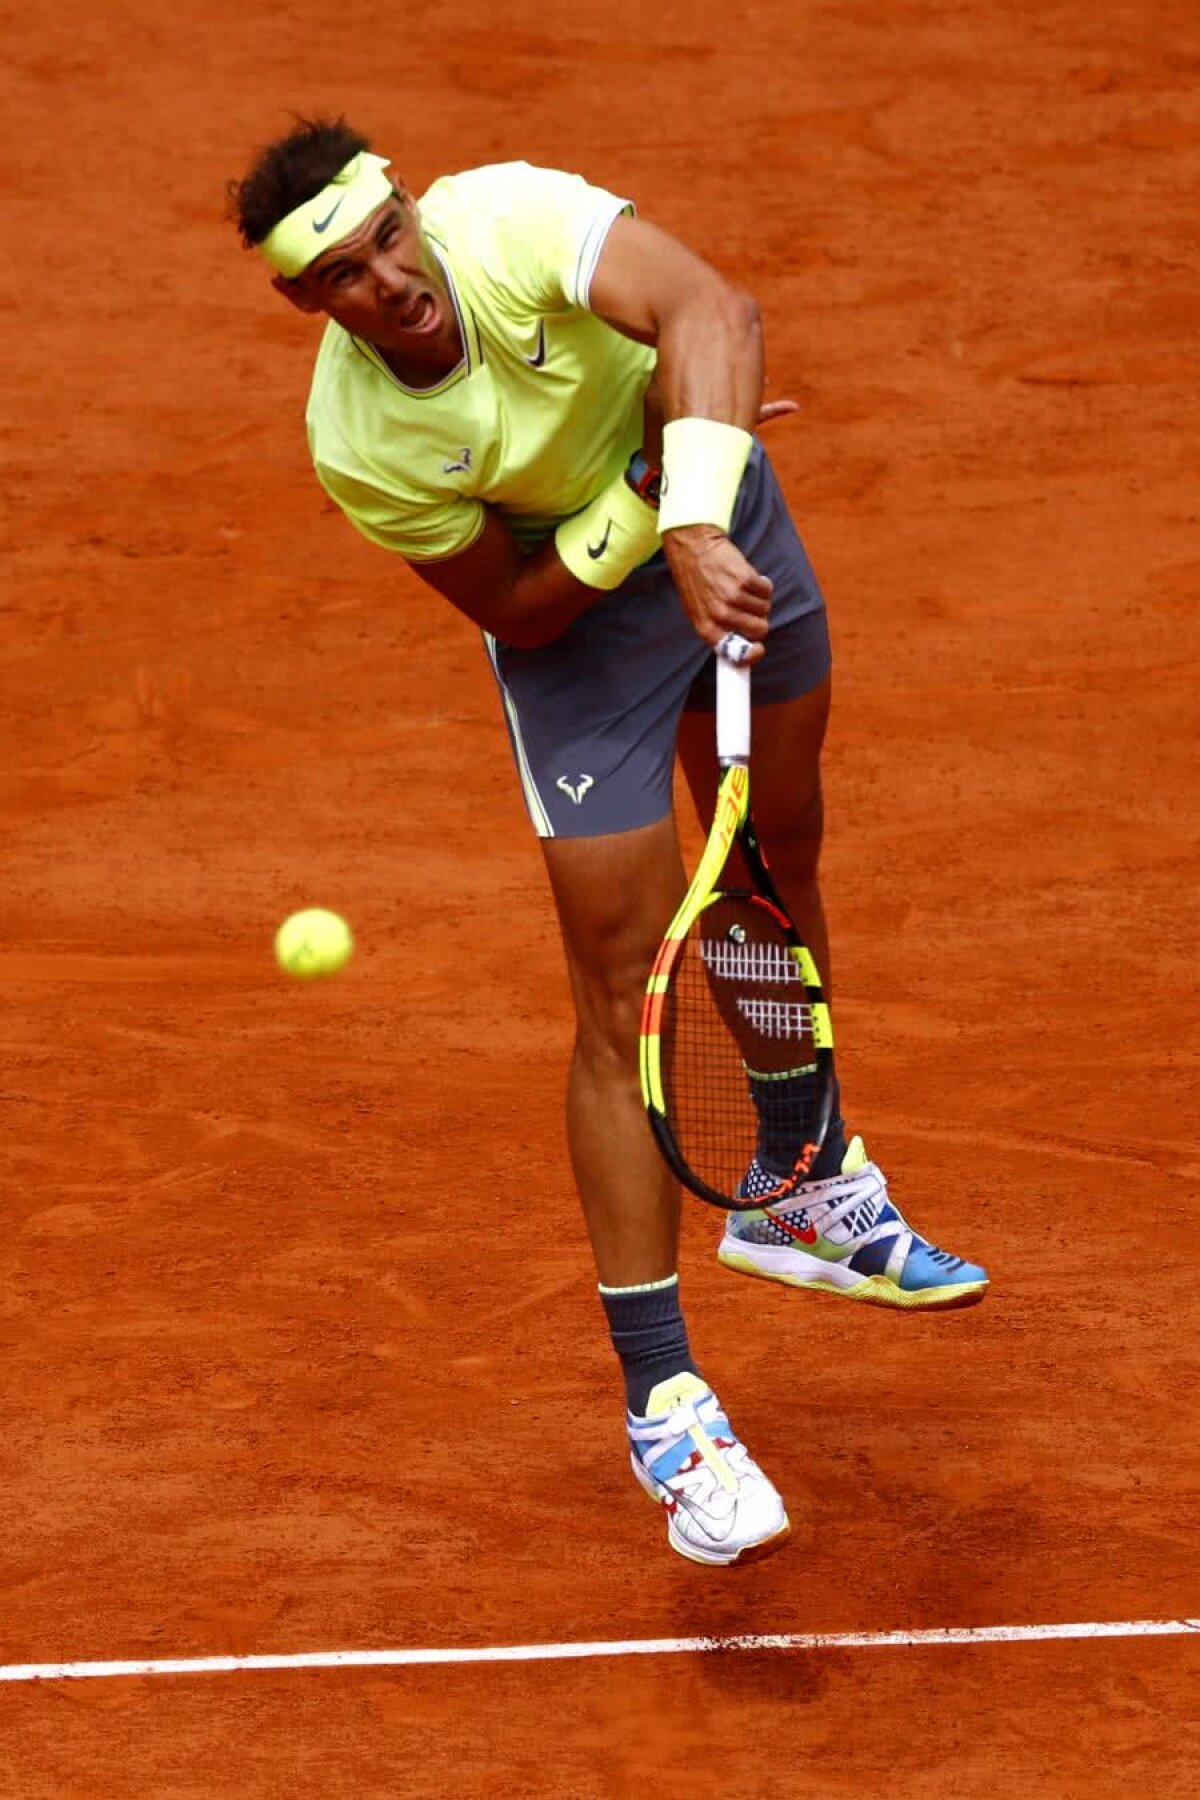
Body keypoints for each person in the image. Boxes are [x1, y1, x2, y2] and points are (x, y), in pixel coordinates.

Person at [228, 116, 989, 1569]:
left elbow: (717, 313)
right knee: (626, 985)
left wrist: (697, 516)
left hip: (727, 530)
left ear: (411, 208)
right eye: (342, 275)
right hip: (586, 631)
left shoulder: (506, 220)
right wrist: (649, 509)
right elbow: (517, 613)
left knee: (770, 864)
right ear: (302, 300)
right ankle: (664, 1405)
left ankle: (799, 1180)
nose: (389, 279)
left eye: (388, 236)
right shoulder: (359, 440)